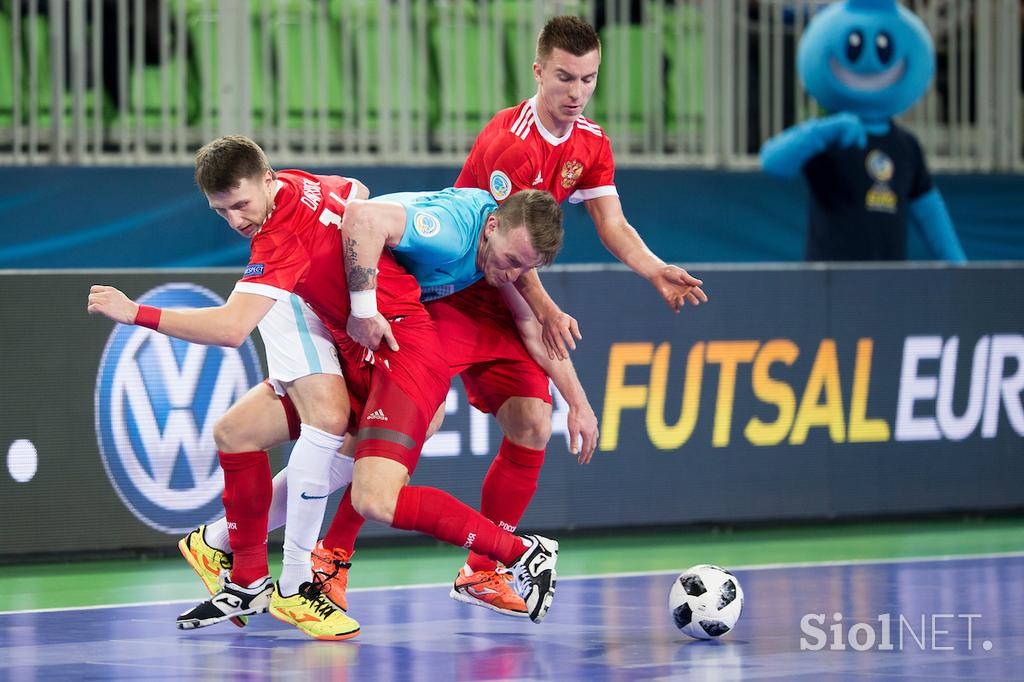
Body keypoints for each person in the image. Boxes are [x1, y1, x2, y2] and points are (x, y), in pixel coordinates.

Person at [86, 135, 562, 635]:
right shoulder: (300, 184)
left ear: (266, 180)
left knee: (370, 488)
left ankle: (518, 551)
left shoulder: (279, 240)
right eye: (220, 211)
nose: (236, 221)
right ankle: (246, 572)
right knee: (238, 433)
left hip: (405, 352)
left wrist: (135, 312)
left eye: (242, 205)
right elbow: (355, 190)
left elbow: (230, 329)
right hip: (364, 344)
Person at [320, 15, 705, 618]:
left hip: (510, 300)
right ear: (538, 72)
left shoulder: (592, 142)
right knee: (409, 426)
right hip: (453, 292)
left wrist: (653, 268)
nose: (576, 92)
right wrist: (549, 308)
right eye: (564, 77)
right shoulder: (511, 143)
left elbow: (613, 225)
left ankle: (482, 570)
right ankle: (330, 561)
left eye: (589, 79)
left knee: (530, 421)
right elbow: (506, 256)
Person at [759, 0, 967, 262]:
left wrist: (960, 269)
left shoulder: (907, 146)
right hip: (828, 290)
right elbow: (773, 162)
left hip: (889, 288)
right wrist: (824, 131)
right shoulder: (827, 138)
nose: (870, 61)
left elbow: (928, 211)